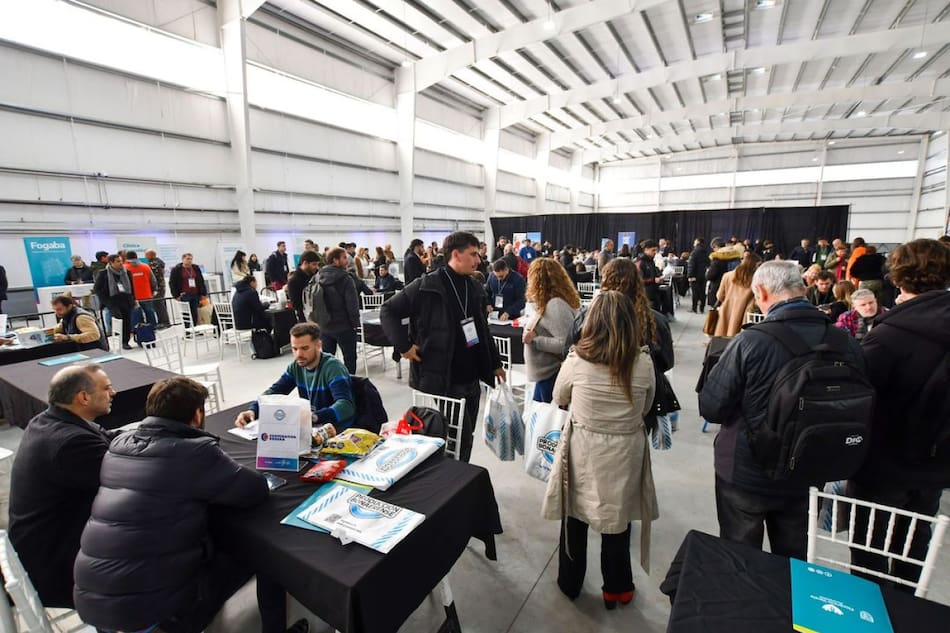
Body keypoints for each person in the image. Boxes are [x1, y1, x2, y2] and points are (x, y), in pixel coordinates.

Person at [74, 377, 307, 633]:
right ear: (197, 415)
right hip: (155, 613)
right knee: (265, 554)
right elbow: (255, 490)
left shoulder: (118, 446)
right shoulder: (194, 453)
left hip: (93, 601)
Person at [699, 261, 864, 559]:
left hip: (747, 471)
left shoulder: (750, 341)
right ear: (803, 288)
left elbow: (712, 407)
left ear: (760, 292)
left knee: (741, 558)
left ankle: (748, 605)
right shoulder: (847, 343)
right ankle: (788, 605)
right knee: (792, 560)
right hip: (810, 466)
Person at [541, 291, 657, 609]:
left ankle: (570, 583)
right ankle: (617, 587)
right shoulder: (644, 362)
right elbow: (647, 406)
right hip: (625, 450)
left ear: (591, 321)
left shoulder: (577, 359)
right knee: (616, 521)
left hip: (583, 448)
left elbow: (559, 396)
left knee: (574, 516)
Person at [848, 239, 950, 589]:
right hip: (935, 466)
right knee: (914, 550)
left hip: (883, 464)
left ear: (899, 277)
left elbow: (857, 396)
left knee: (868, 554)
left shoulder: (890, 336)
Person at [380, 231, 505, 462]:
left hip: (472, 376)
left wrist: (495, 363)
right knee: (459, 435)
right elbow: (388, 311)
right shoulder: (426, 285)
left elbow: (482, 330)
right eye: (473, 254)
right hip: (444, 377)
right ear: (456, 254)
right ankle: (457, 479)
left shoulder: (474, 286)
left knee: (466, 434)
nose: (478, 260)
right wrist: (404, 347)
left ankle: (458, 475)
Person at [9, 365, 117, 607]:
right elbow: (129, 478)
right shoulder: (70, 444)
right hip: (58, 565)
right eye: (107, 387)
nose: (114, 392)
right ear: (83, 397)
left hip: (48, 544)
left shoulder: (51, 419)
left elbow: (110, 438)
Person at [235, 322, 355, 430]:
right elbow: (275, 391)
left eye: (304, 348)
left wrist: (313, 417)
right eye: (294, 349)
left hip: (337, 429)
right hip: (312, 428)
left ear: (318, 345)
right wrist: (253, 409)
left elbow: (345, 406)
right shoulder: (295, 367)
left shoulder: (333, 368)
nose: (299, 354)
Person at [523, 258, 580, 403]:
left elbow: (565, 344)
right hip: (546, 376)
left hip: (551, 376)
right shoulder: (551, 302)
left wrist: (535, 341)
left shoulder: (555, 305)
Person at [316, 247, 360, 373]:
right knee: (350, 359)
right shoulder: (346, 279)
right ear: (335, 260)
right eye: (344, 257)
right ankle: (349, 385)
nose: (347, 261)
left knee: (327, 360)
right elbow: (352, 304)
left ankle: (329, 385)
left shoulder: (318, 276)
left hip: (324, 326)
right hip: (344, 326)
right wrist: (355, 324)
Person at [713, 252, 761, 337]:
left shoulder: (727, 276)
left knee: (722, 340)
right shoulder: (756, 280)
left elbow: (719, 296)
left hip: (726, 312)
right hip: (744, 314)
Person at [93, 253, 134, 349]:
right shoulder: (103, 273)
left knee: (127, 320)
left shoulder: (127, 272)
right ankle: (117, 338)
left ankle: (125, 341)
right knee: (118, 318)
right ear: (111, 263)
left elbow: (132, 287)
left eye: (121, 261)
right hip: (112, 300)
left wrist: (133, 299)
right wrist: (105, 301)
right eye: (118, 261)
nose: (121, 263)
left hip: (125, 299)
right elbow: (97, 289)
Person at [168, 252, 208, 325]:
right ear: (183, 259)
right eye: (187, 259)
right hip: (184, 295)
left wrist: (203, 293)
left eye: (191, 259)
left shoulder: (195, 268)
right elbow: (172, 283)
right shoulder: (177, 269)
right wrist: (176, 295)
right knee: (186, 314)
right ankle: (188, 330)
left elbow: (201, 281)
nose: (189, 261)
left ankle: (195, 329)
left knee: (195, 313)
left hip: (195, 294)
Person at [124, 250, 158, 333]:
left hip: (133, 297)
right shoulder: (145, 266)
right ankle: (153, 328)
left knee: (136, 315)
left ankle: (138, 331)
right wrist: (154, 290)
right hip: (146, 294)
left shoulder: (124, 268)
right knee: (150, 312)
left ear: (126, 258)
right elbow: (153, 280)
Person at [286, 250, 321, 323]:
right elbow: (296, 305)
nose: (317, 267)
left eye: (318, 264)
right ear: (305, 263)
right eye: (314, 264)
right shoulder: (294, 281)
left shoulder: (316, 276)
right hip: (306, 319)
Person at [144, 249, 170, 327]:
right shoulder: (159, 262)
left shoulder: (153, 264)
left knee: (158, 304)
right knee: (161, 304)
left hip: (157, 288)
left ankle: (164, 322)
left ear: (150, 255)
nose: (145, 256)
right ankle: (164, 321)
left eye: (146, 254)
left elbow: (153, 277)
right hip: (161, 286)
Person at [636, 240, 662, 312]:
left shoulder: (651, 261)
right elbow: (638, 280)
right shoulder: (640, 263)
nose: (655, 252)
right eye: (653, 250)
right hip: (645, 294)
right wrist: (653, 280)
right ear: (646, 250)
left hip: (654, 292)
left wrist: (658, 278)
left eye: (656, 250)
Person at [687, 238, 710, 313]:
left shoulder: (694, 252)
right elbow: (708, 263)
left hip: (695, 275)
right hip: (703, 275)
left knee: (695, 292)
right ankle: (702, 308)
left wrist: (690, 275)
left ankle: (694, 308)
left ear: (698, 242)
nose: (693, 243)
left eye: (695, 242)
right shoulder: (706, 251)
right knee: (702, 292)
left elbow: (691, 265)